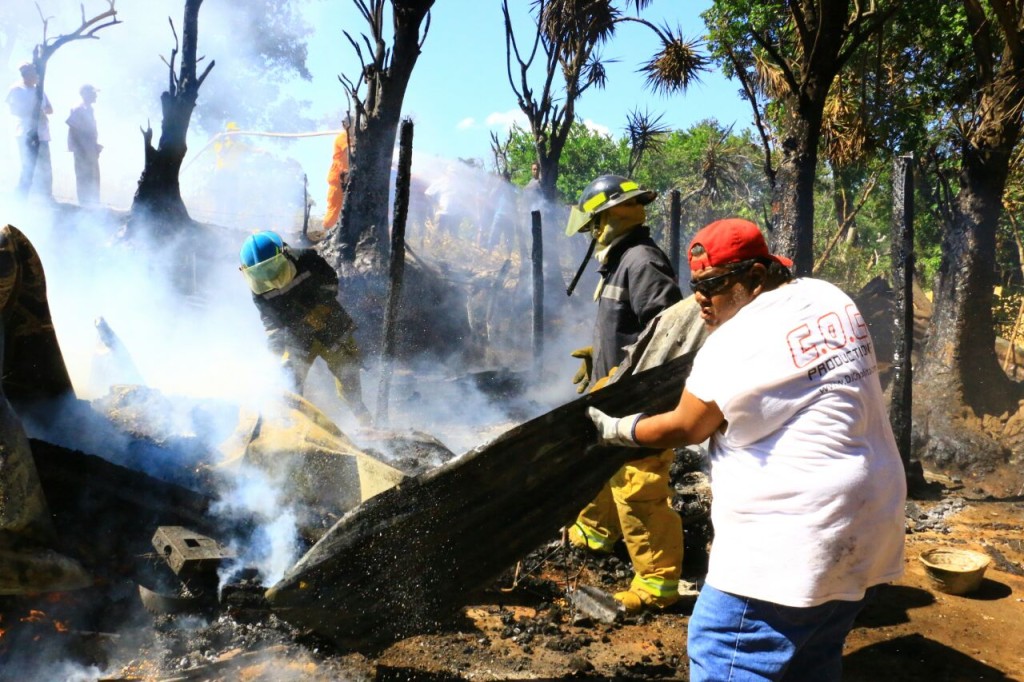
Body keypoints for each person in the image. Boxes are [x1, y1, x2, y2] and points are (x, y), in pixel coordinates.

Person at [587, 218, 907, 681]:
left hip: (792, 542)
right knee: (811, 657)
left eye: (713, 286)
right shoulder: (828, 297)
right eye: (696, 284)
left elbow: (686, 426)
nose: (700, 298)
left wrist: (619, 431)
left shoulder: (733, 343)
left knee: (727, 649)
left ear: (755, 278)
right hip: (870, 524)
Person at [563, 174, 686, 614]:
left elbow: (668, 334)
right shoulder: (621, 261)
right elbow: (635, 326)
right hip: (615, 393)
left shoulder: (641, 261)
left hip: (639, 401)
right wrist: (602, 354)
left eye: (593, 224)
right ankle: (594, 536)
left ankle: (657, 585)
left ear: (610, 216)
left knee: (639, 490)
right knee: (601, 468)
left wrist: (623, 372)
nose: (591, 234)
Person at [239, 230, 372, 426]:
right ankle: (293, 430)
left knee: (348, 379)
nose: (268, 276)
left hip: (332, 327)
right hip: (298, 338)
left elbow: (331, 283)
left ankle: (366, 424)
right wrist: (274, 347)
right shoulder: (258, 287)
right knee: (288, 383)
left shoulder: (307, 259)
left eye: (271, 267)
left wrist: (318, 306)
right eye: (260, 272)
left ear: (284, 253)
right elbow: (270, 321)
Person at [6, 62, 53, 198]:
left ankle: (46, 195)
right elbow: (13, 110)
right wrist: (33, 112)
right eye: (33, 73)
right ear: (25, 74)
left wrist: (42, 111)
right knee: (28, 165)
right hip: (26, 133)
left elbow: (50, 109)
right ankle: (24, 195)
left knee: (45, 166)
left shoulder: (39, 90)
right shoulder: (16, 89)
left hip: (43, 133)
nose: (36, 76)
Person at [66, 83, 103, 206]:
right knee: (84, 177)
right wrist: (83, 148)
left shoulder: (89, 109)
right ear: (85, 94)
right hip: (82, 150)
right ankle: (85, 205)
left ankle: (94, 204)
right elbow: (74, 130)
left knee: (94, 177)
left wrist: (95, 145)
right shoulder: (78, 108)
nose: (95, 95)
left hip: (90, 149)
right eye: (93, 93)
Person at [322, 116, 351, 230]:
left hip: (346, 179)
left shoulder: (350, 138)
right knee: (335, 208)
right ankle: (326, 232)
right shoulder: (343, 137)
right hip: (338, 179)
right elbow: (350, 151)